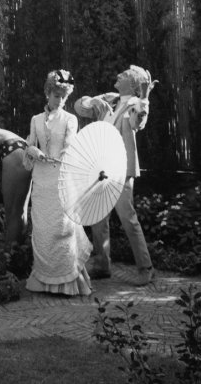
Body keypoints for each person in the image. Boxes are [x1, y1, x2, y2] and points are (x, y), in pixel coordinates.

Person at [74, 65, 157, 286]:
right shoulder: (110, 100)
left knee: (127, 218)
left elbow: (137, 122)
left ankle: (146, 268)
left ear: (131, 83)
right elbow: (78, 107)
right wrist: (92, 101)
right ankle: (102, 264)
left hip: (121, 171)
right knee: (98, 216)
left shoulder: (133, 104)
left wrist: (145, 97)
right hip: (102, 170)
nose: (117, 75)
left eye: (122, 75)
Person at [22, 70, 92, 296]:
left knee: (63, 230)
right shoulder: (35, 120)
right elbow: (29, 149)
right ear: (47, 93)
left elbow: (71, 146)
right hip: (41, 183)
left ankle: (68, 282)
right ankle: (42, 280)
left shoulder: (70, 119)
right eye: (56, 95)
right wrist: (32, 150)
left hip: (61, 180)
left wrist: (62, 154)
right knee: (43, 230)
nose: (60, 100)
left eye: (63, 96)